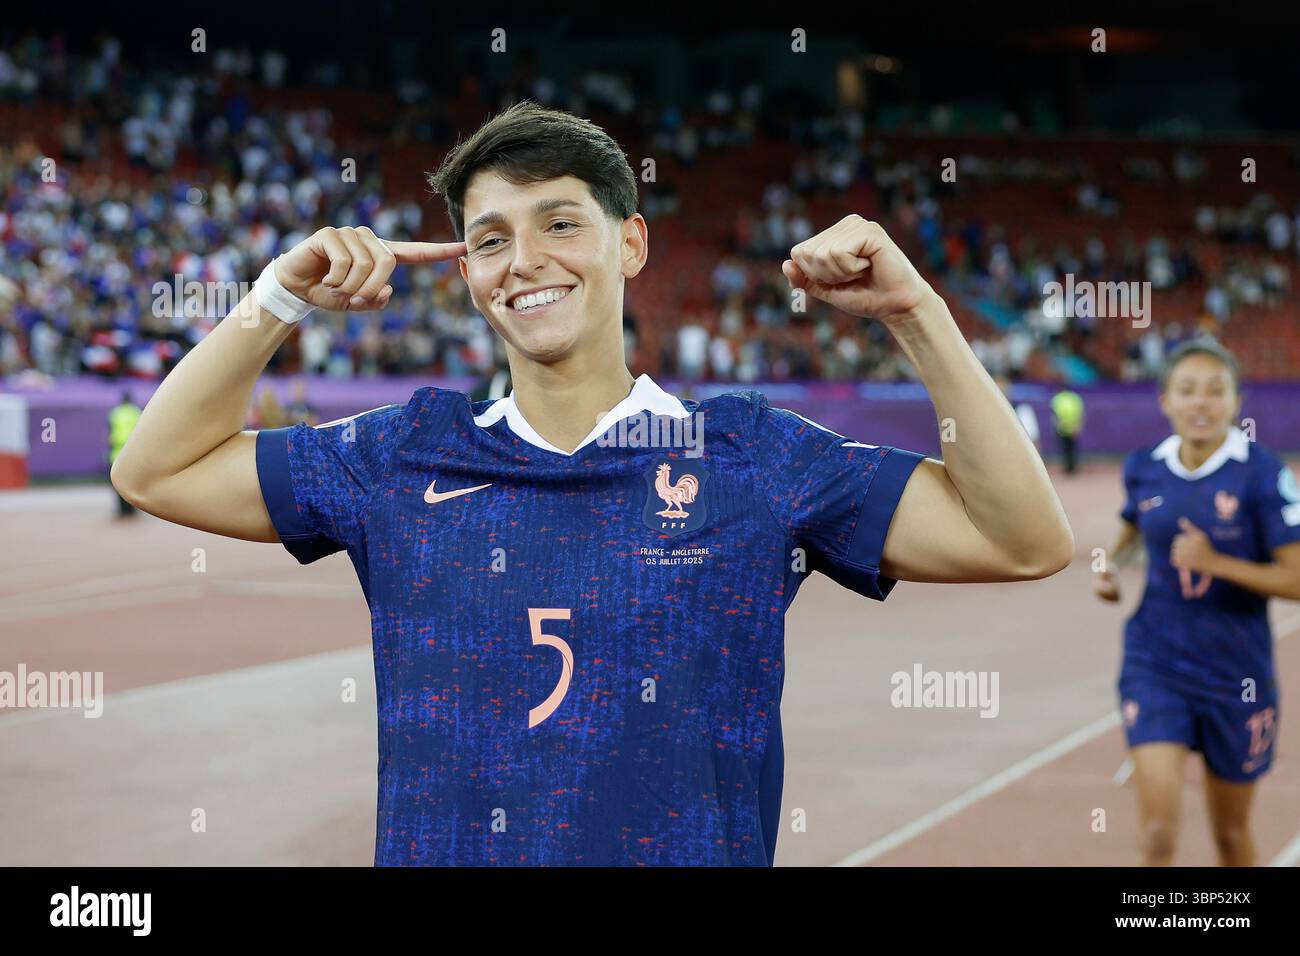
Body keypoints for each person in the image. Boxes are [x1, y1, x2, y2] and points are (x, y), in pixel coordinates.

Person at [110, 100, 1073, 867]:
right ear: (468, 274)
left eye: (560, 224)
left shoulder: (750, 456)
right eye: (489, 240)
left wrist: (915, 312)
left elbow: (1022, 540)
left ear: (632, 244)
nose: (523, 262)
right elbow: (155, 469)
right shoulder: (402, 457)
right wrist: (280, 298)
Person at [1094, 338, 1300, 866]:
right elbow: (1128, 526)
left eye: (1215, 391)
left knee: (1231, 836)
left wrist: (1217, 564)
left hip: (1238, 675)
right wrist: (1108, 567)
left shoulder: (1263, 476)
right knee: (1158, 831)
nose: (1200, 403)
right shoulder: (1146, 466)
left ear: (1236, 402)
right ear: (1165, 400)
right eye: (1186, 390)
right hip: (1155, 664)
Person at [107, 391, 141, 519]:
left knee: (118, 484)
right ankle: (132, 509)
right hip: (133, 453)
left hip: (117, 452)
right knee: (132, 484)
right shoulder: (136, 412)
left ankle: (122, 510)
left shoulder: (115, 413)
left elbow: (109, 433)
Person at [1050, 387, 1084, 473]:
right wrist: (1078, 426)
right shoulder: (1074, 398)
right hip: (1072, 427)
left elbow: (1054, 414)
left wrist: (1056, 424)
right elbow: (1080, 413)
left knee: (1065, 448)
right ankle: (1072, 467)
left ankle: (1068, 467)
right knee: (1071, 448)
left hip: (1062, 427)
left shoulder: (1057, 398)